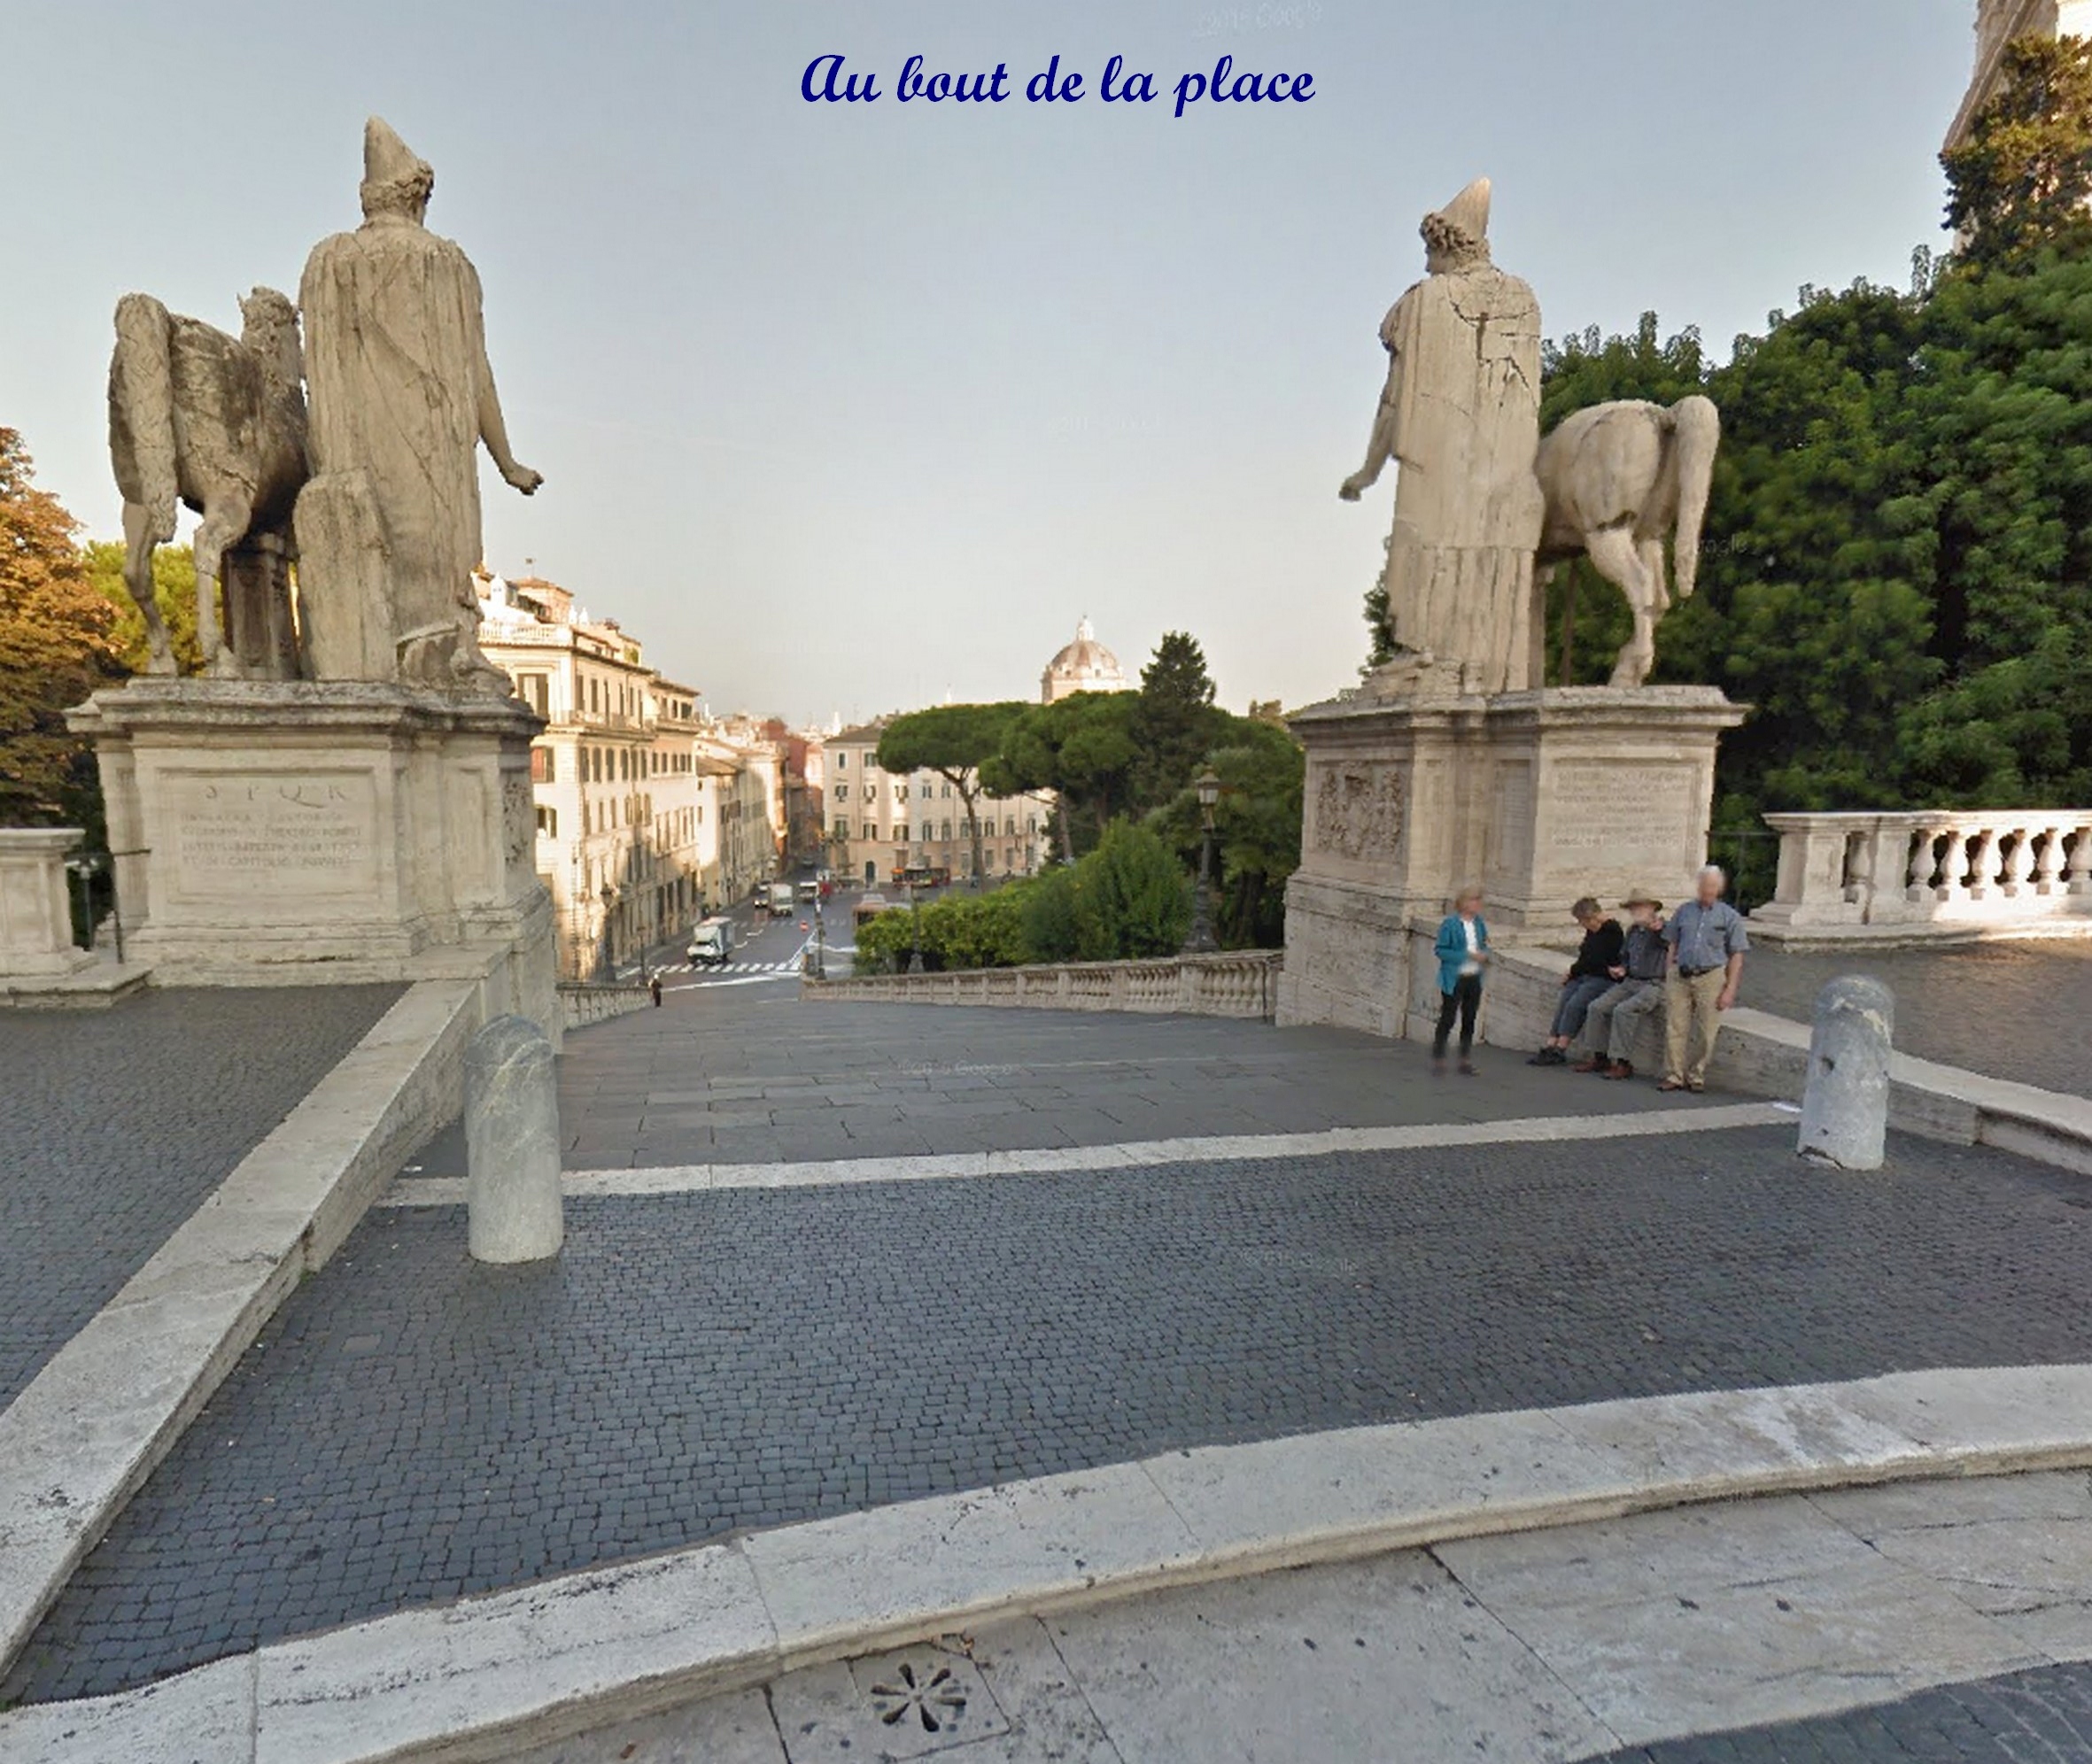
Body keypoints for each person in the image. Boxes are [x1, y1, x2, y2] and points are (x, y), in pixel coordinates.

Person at [1661, 864, 1749, 1093]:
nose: (1706, 891)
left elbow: (1737, 954)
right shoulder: (1684, 911)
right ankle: (1674, 1075)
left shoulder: (1730, 916)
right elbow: (1672, 942)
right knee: (1675, 1027)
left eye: (1711, 886)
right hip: (1680, 974)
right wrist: (1669, 970)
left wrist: (1730, 989)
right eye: (1703, 886)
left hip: (1711, 975)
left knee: (1707, 1031)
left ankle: (1696, 1074)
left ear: (1719, 888)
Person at [1571, 888, 1669, 1079]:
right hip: (1631, 980)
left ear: (1651, 908)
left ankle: (1622, 1061)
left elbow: (1667, 943)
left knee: (1623, 1011)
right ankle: (1599, 1056)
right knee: (1597, 1007)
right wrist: (1622, 968)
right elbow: (1625, 956)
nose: (1635, 912)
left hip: (1654, 983)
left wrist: (1657, 930)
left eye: (1639, 908)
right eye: (1633, 908)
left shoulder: (1663, 928)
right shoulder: (1633, 931)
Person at [1528, 897, 1625, 1065]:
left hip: (1603, 978)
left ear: (1592, 917)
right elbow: (1585, 956)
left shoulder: (1612, 931)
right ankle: (1551, 1043)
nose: (1582, 925)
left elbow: (1596, 959)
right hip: (1585, 974)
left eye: (1583, 921)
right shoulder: (1592, 930)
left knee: (1576, 1004)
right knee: (1564, 1001)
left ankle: (1561, 1047)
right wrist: (1572, 972)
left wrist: (1576, 970)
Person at [1430, 887, 1490, 1075]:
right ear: (1464, 903)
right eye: (1474, 900)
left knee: (1469, 1018)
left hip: (1474, 976)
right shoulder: (1450, 924)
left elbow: (1484, 945)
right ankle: (1439, 1057)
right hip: (1454, 977)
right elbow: (1441, 950)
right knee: (1448, 1018)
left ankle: (1465, 1059)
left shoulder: (1479, 924)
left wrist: (1484, 955)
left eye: (1479, 901)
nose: (1478, 904)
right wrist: (1467, 955)